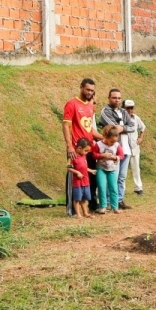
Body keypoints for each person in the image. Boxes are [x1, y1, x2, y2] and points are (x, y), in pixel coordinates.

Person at [62, 78, 103, 216]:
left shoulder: (90, 106)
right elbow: (66, 126)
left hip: (89, 148)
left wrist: (104, 138)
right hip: (76, 149)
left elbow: (90, 129)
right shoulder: (71, 104)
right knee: (74, 179)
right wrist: (69, 146)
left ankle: (89, 206)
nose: (90, 92)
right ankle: (72, 209)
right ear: (81, 88)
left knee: (89, 177)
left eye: (92, 90)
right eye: (87, 89)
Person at [99, 89, 136, 210]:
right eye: (114, 98)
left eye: (119, 98)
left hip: (126, 149)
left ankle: (119, 200)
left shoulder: (123, 111)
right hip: (112, 149)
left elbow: (132, 126)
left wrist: (121, 127)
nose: (117, 100)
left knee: (122, 177)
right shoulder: (105, 111)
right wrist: (121, 127)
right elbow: (113, 129)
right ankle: (110, 202)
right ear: (109, 98)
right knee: (112, 176)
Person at [91, 125, 124, 214]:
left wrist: (115, 157)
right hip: (101, 168)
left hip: (113, 169)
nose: (113, 143)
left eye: (115, 141)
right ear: (106, 137)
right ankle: (103, 206)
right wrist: (102, 155)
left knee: (113, 187)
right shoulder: (98, 144)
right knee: (102, 187)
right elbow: (94, 155)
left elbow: (121, 155)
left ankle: (115, 207)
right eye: (111, 141)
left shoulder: (117, 145)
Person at [67, 138, 96, 219]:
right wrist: (77, 172)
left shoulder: (83, 156)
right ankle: (78, 214)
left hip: (85, 181)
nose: (86, 153)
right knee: (77, 198)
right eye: (86, 151)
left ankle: (85, 213)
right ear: (79, 148)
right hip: (77, 183)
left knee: (84, 198)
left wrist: (90, 170)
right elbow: (68, 168)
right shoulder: (72, 156)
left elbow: (84, 167)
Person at [123, 99, 147, 195]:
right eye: (127, 108)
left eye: (131, 108)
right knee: (123, 171)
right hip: (124, 148)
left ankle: (138, 188)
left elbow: (143, 128)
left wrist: (141, 137)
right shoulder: (120, 119)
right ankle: (122, 189)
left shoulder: (136, 118)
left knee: (136, 168)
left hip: (134, 147)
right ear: (123, 108)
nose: (129, 110)